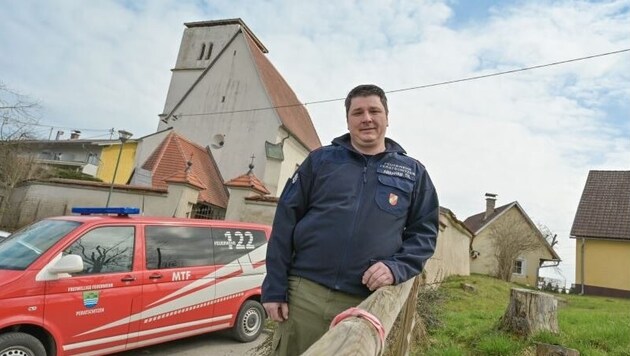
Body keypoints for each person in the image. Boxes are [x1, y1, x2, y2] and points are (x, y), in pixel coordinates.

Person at [262, 84, 439, 355]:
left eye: (374, 111)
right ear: (348, 120)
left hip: (364, 303)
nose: (366, 118)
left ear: (387, 118)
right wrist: (274, 287)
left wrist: (396, 267)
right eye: (358, 112)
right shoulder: (320, 161)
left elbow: (424, 233)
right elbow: (285, 222)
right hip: (303, 297)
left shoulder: (413, 173)